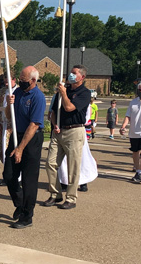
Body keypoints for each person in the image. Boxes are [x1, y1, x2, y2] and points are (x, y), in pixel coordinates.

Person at [44, 65, 91, 210]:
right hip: (59, 131)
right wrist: (54, 124)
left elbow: (69, 108)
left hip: (74, 132)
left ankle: (71, 198)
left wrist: (64, 93)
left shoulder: (84, 93)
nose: (70, 75)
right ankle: (55, 194)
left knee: (73, 166)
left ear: (82, 77)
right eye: (70, 72)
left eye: (74, 73)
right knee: (50, 163)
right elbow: (53, 112)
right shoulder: (62, 91)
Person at [3, 66, 45, 229]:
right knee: (8, 174)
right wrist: (9, 105)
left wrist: (20, 148)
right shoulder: (18, 92)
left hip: (31, 139)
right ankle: (20, 204)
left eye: (24, 79)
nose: (20, 81)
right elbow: (9, 116)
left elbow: (34, 125)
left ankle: (27, 215)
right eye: (20, 78)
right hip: (16, 135)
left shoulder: (37, 97)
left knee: (29, 179)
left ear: (33, 81)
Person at [0, 74, 18, 166]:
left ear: (14, 79)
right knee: (4, 152)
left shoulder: (18, 91)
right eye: (5, 81)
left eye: (8, 81)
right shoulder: (1, 92)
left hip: (14, 126)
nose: (6, 83)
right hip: (2, 124)